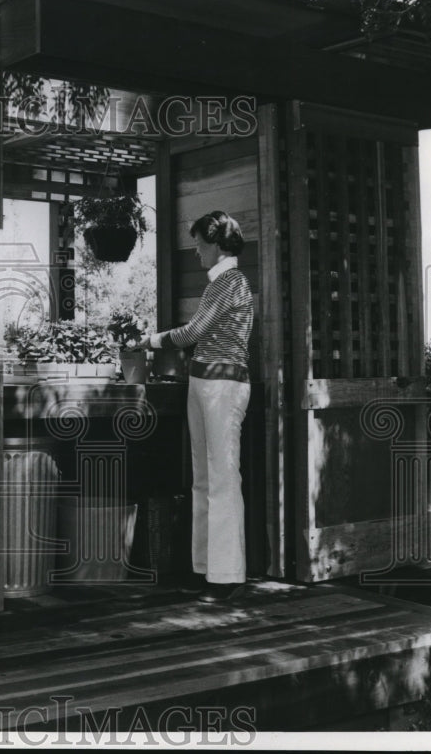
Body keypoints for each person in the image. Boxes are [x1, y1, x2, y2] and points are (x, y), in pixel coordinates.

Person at [140, 210, 253, 603]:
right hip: (205, 383)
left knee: (222, 478)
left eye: (200, 245)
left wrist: (149, 342)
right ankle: (207, 569)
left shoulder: (231, 281)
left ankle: (228, 573)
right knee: (204, 479)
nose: (196, 253)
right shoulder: (219, 283)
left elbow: (194, 333)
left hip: (224, 385)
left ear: (218, 244)